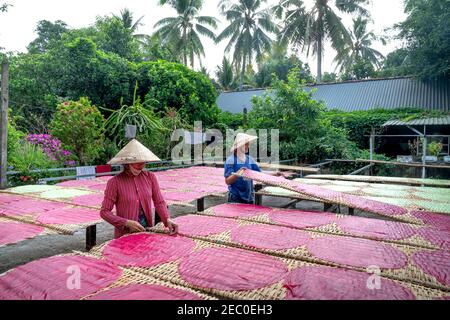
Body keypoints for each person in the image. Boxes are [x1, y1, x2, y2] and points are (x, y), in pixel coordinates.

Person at [100, 139, 178, 239]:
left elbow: (159, 202)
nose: (141, 166)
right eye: (138, 164)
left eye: (143, 163)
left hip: (147, 230)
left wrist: (167, 220)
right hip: (125, 234)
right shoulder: (114, 182)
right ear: (127, 164)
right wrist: (126, 222)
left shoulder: (150, 177)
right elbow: (104, 212)